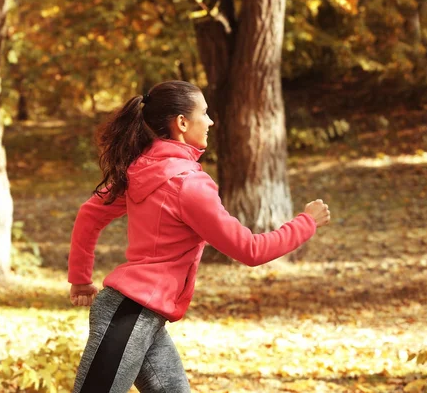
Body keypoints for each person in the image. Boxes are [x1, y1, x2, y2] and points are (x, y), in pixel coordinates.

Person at [67, 80, 330, 393]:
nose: (210, 121)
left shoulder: (140, 170)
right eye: (204, 113)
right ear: (181, 123)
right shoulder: (188, 184)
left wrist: (81, 278)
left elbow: (90, 214)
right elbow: (250, 249)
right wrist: (306, 222)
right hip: (129, 314)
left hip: (142, 315)